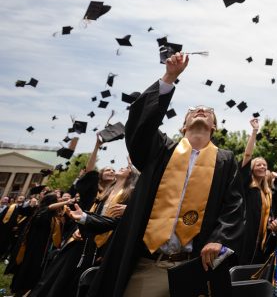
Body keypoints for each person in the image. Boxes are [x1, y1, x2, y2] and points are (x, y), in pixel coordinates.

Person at [87, 52, 244, 297]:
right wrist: (169, 78)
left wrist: (220, 238)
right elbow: (140, 128)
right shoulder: (161, 150)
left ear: (214, 126)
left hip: (194, 268)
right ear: (183, 125)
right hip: (149, 265)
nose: (201, 109)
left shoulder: (225, 160)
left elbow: (233, 205)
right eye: (194, 109)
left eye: (207, 110)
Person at [31, 163, 139, 297]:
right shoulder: (106, 192)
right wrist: (81, 224)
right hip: (83, 238)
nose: (121, 167)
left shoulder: (130, 194)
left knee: (76, 282)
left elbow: (117, 224)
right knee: (58, 276)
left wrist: (84, 219)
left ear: (132, 175)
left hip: (98, 246)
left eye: (128, 167)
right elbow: (93, 214)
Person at [237, 117, 276, 267]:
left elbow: (268, 214)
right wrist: (254, 131)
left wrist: (273, 223)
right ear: (252, 168)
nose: (262, 167)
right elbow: (247, 156)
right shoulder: (248, 185)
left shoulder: (267, 193)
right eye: (258, 164)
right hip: (246, 238)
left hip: (262, 242)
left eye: (264, 165)